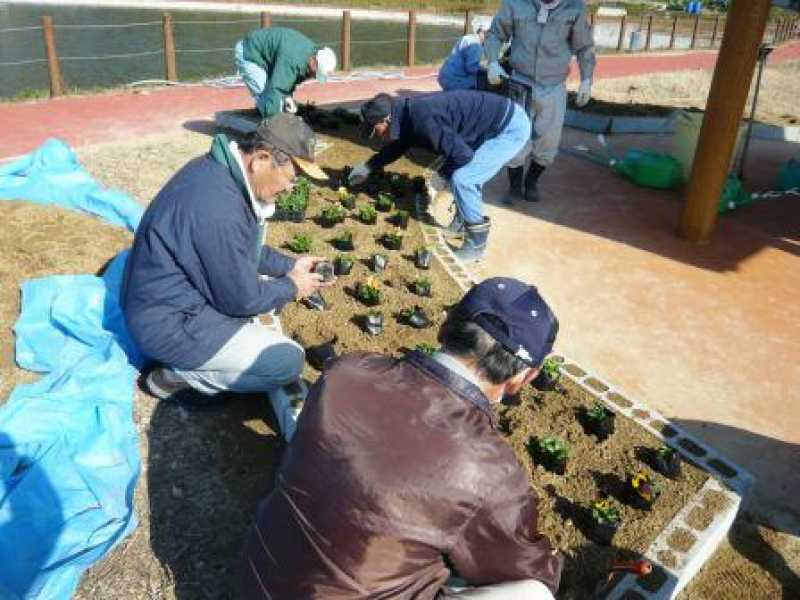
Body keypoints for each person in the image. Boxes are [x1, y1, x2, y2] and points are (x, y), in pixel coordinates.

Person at [240, 277, 562, 599]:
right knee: (534, 594)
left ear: (446, 326)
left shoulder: (345, 371)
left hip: (257, 577)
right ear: (524, 376)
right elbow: (527, 569)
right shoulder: (489, 468)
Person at [122, 114, 332, 410]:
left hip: (168, 298)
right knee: (287, 361)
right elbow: (241, 300)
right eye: (292, 177)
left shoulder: (220, 174)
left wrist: (290, 265)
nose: (290, 189)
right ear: (261, 159)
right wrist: (293, 287)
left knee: (270, 292)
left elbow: (243, 248)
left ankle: (197, 358)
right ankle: (175, 375)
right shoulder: (218, 208)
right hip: (168, 322)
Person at [348, 91, 531, 262]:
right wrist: (368, 166)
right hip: (490, 125)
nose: (376, 136)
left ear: (386, 120)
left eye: (374, 130)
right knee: (465, 175)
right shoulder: (406, 114)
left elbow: (463, 156)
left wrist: (441, 177)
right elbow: (398, 146)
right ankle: (461, 221)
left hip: (509, 128)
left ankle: (477, 244)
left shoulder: (422, 120)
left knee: (464, 179)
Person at [485, 0, 596, 202]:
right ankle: (514, 187)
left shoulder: (574, 8)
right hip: (520, 81)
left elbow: (584, 47)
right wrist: (492, 62)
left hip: (553, 86)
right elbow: (495, 34)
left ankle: (532, 182)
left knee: (548, 141)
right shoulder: (515, 4)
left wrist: (586, 80)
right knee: (514, 137)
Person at [234, 26, 337, 118]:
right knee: (265, 96)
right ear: (314, 62)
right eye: (316, 73)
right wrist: (277, 121)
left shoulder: (308, 56)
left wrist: (287, 98)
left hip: (267, 58)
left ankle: (267, 114)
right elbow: (276, 88)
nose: (314, 76)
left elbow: (288, 81)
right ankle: (269, 126)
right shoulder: (293, 60)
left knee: (275, 100)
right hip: (249, 53)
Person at [437, 16, 493, 91]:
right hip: (457, 80)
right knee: (483, 84)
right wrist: (488, 70)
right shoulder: (475, 44)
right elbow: (471, 68)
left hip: (445, 76)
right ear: (483, 31)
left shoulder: (468, 38)